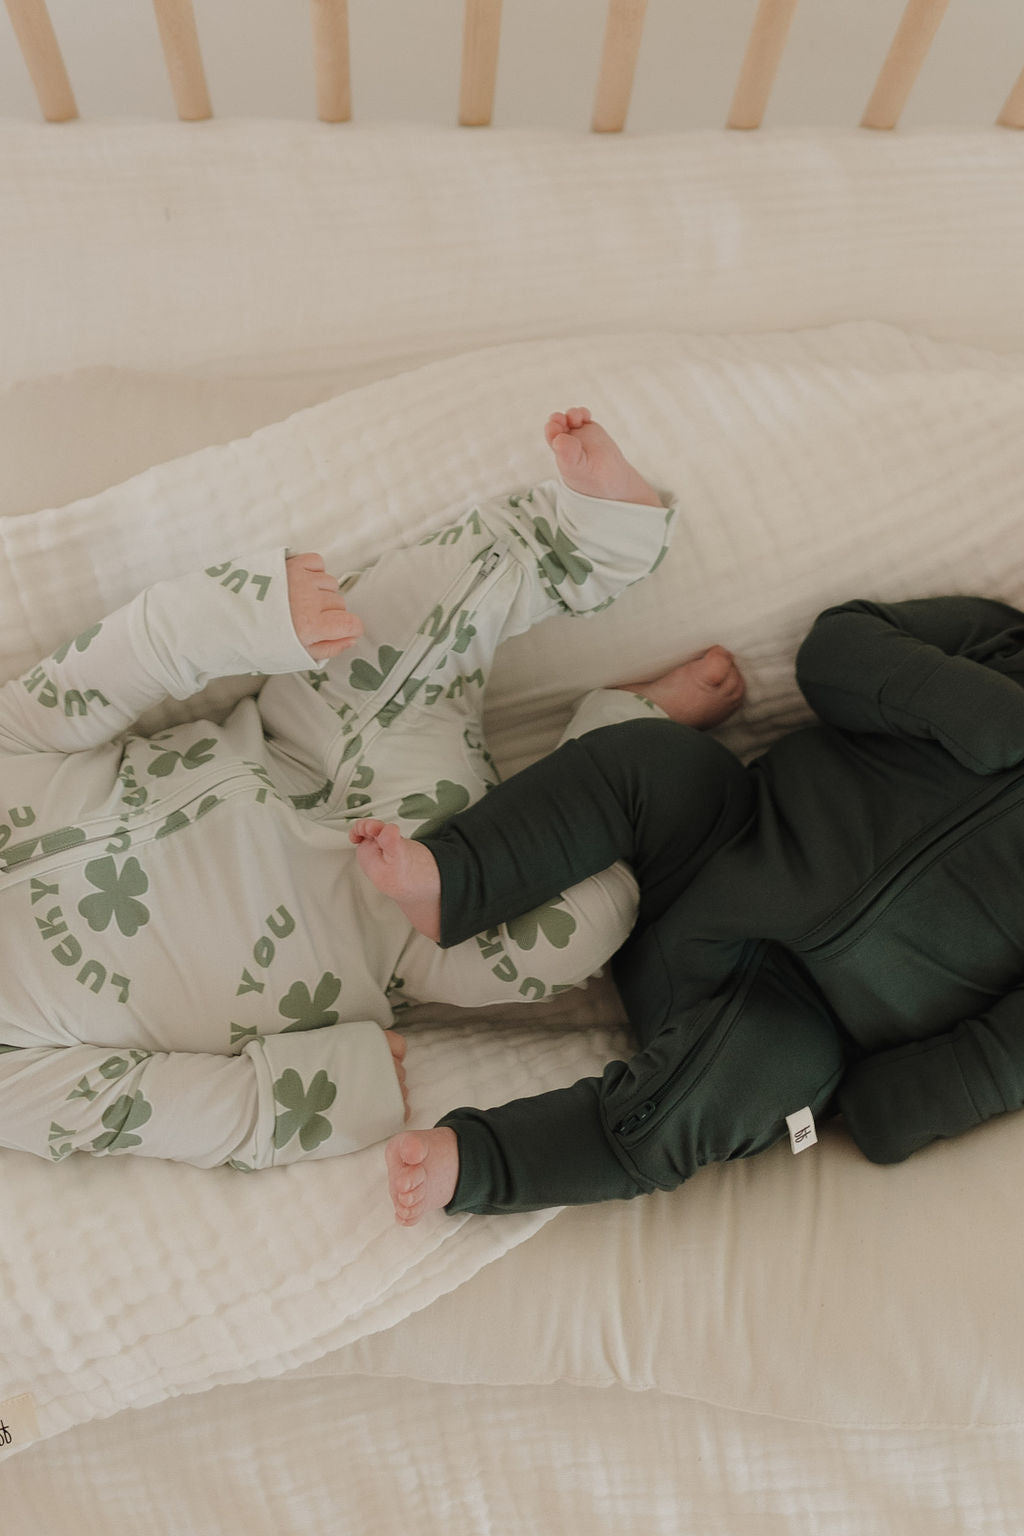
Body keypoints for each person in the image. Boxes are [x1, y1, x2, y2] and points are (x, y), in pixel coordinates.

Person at [0, 407, 705, 1171]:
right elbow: (143, 1109)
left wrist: (254, 614)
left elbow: (116, 663)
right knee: (583, 931)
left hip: (320, 745)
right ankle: (619, 740)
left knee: (405, 604)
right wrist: (329, 1092)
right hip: (403, 928)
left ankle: (593, 535)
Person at [354, 589, 1024, 1223]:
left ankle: (480, 1163)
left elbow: (924, 1098)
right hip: (732, 833)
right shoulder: (1006, 643)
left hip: (787, 1013)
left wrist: (861, 1097)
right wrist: (984, 712)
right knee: (648, 761)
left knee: (736, 1093)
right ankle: (456, 877)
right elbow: (837, 644)